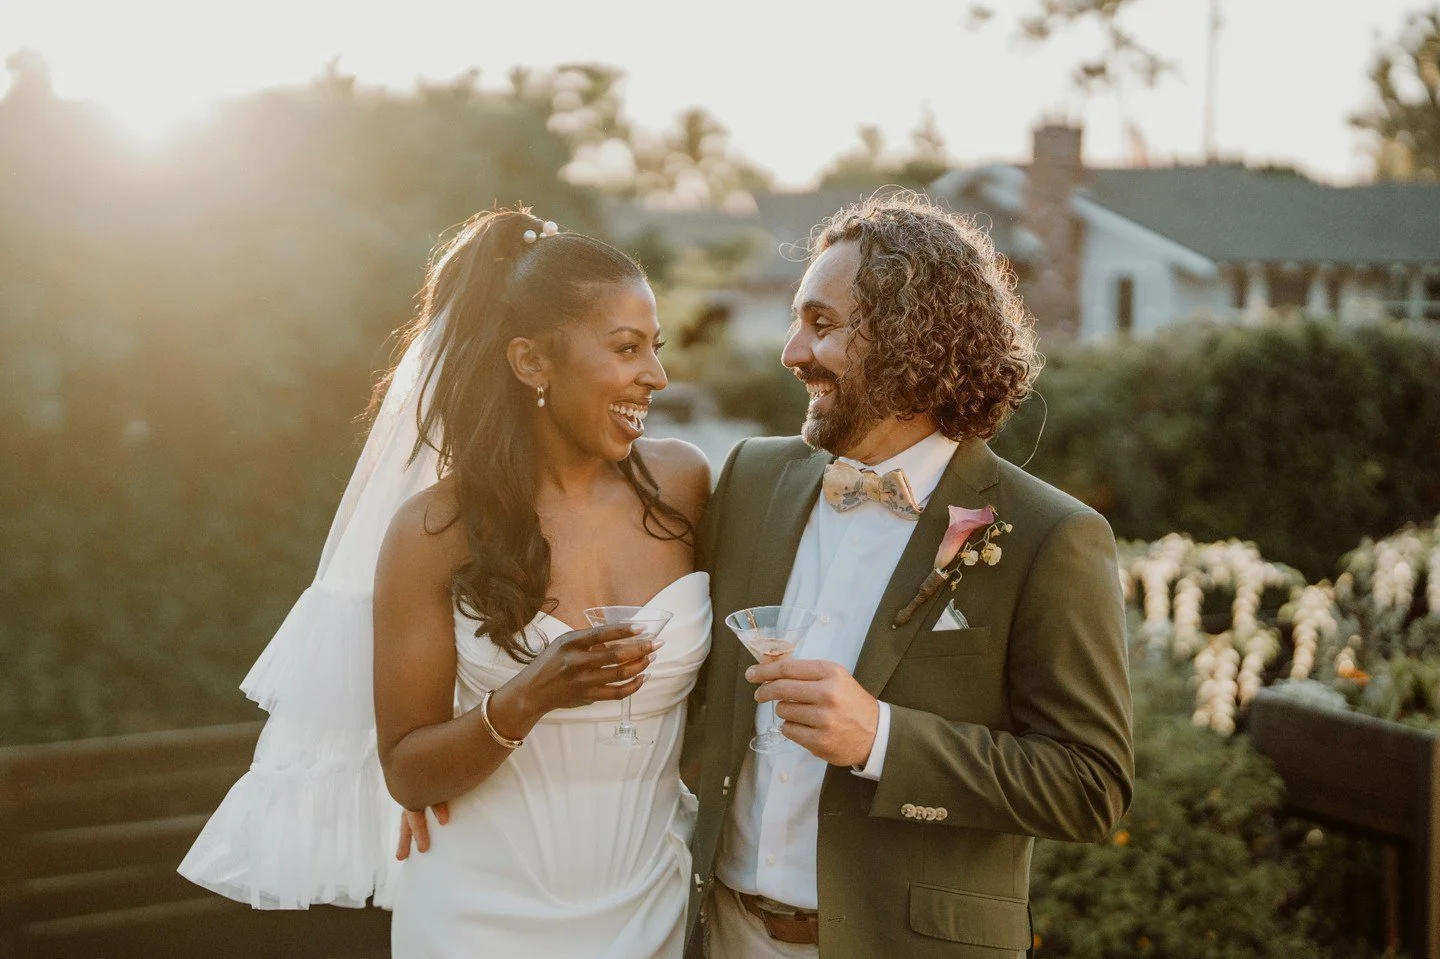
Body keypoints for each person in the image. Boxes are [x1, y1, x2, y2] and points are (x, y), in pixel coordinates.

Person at [180, 209, 712, 959]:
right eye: (627, 349)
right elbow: (408, 769)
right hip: (480, 909)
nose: (655, 375)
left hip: (651, 896)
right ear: (531, 362)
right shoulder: (432, 532)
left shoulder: (686, 486)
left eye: (653, 350)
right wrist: (529, 696)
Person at [684, 192, 1135, 958]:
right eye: (798, 320)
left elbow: (1090, 785)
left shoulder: (1051, 537)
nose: (792, 351)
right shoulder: (751, 479)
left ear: (910, 338)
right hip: (718, 933)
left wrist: (881, 738)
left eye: (821, 324)